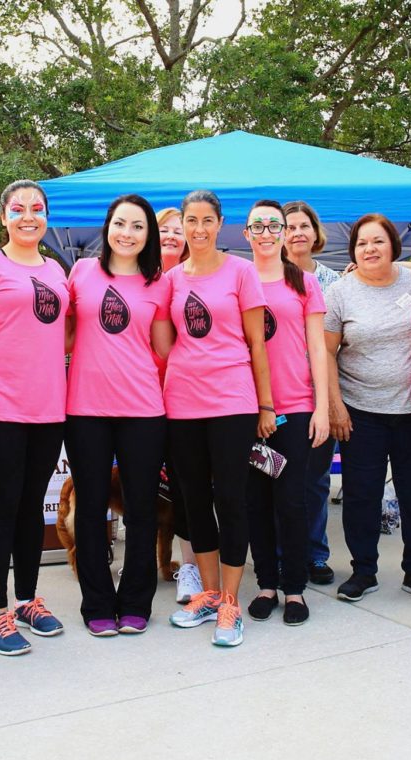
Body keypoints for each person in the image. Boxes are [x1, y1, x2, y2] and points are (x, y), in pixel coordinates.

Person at [0, 179, 69, 656]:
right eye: (18, 209)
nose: (28, 216)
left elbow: (61, 339)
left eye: (36, 209)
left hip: (48, 409)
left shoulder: (58, 270)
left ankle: (27, 600)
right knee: (2, 506)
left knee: (30, 507)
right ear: (3, 217)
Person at [165, 189, 274, 648]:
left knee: (231, 499)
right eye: (192, 220)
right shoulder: (171, 279)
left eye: (208, 220)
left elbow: (256, 344)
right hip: (182, 404)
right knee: (193, 501)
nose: (199, 229)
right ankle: (209, 593)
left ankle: (230, 599)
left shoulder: (242, 272)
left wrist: (266, 405)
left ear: (220, 223)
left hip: (233, 402)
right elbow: (164, 341)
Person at [65, 194, 172, 636]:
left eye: (138, 227)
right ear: (108, 226)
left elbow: (166, 349)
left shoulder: (159, 283)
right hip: (85, 408)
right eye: (120, 224)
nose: (127, 233)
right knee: (90, 508)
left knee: (142, 511)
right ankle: (96, 601)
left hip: (144, 410)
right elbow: (64, 336)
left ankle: (134, 601)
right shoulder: (80, 273)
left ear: (148, 236)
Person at [326, 214, 411, 604]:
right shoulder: (340, 293)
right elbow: (326, 353)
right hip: (360, 410)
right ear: (353, 250)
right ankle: (363, 570)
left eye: (377, 241)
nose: (369, 249)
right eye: (361, 243)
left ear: (394, 245)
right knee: (361, 493)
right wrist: (336, 406)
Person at [244, 200, 329, 626]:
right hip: (247, 410)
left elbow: (318, 347)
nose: (265, 232)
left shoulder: (303, 282)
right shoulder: (238, 279)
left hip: (295, 408)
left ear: (282, 232)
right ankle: (266, 584)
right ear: (245, 234)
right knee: (256, 500)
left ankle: (295, 588)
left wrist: (323, 407)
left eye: (272, 225)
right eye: (256, 225)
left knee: (292, 500)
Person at [283, 200, 342, 586]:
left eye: (304, 225)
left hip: (322, 395)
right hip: (280, 396)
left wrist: (332, 402)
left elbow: (337, 343)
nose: (297, 232)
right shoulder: (262, 277)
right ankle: (281, 554)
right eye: (289, 226)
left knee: (317, 480)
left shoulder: (335, 282)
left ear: (315, 233)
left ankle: (315, 553)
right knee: (277, 477)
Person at [155, 206, 200, 603]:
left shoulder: (193, 280)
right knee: (139, 492)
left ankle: (189, 568)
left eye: (177, 230)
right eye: (163, 229)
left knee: (186, 490)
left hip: (184, 400)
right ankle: (143, 566)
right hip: (136, 400)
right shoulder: (136, 277)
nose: (171, 235)